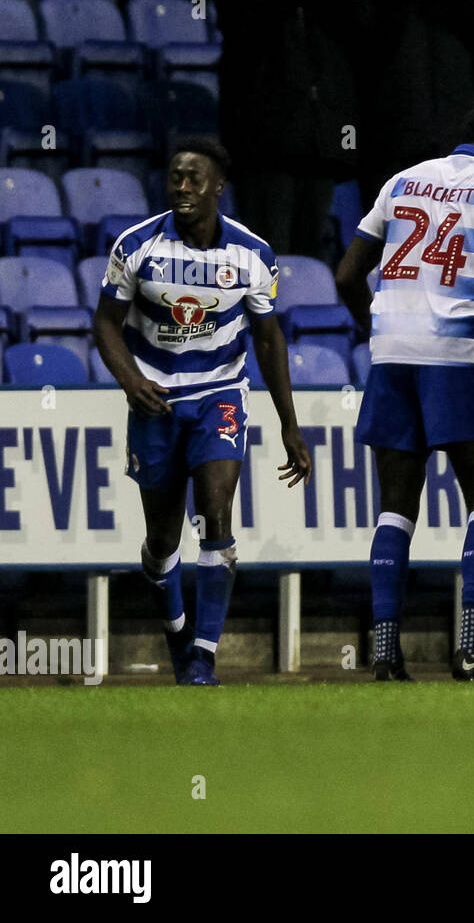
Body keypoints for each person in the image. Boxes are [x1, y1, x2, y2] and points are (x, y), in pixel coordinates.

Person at [334, 97, 474, 682]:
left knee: (395, 507)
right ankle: (472, 650)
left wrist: (376, 325)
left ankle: (384, 653)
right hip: (458, 356)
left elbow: (347, 274)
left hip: (392, 356)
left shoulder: (402, 181)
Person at [92, 139, 312, 686]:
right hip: (156, 400)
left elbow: (267, 339)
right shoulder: (136, 246)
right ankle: (177, 635)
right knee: (163, 538)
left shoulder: (252, 254)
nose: (183, 188)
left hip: (220, 395)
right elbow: (104, 324)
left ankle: (204, 656)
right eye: (175, 178)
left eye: (194, 179)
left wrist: (289, 423)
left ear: (218, 187)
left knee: (217, 512)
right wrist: (132, 380)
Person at [217, 0, 364, 260]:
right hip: (265, 148)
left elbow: (361, 38)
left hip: (320, 142)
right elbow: (248, 34)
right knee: (267, 254)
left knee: (310, 259)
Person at [356, 0, 474, 202]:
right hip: (389, 139)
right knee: (394, 233)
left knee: (455, 233)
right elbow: (363, 41)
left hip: (453, 134)